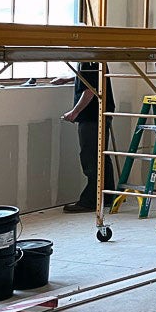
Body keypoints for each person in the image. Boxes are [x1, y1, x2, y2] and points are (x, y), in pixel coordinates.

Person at [53, 63, 115, 213]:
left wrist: (74, 112)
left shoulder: (88, 59)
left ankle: (91, 201)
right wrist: (69, 79)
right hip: (99, 114)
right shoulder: (94, 57)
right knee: (101, 156)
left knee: (91, 157)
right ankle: (107, 197)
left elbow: (90, 90)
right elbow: (91, 79)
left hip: (92, 116)